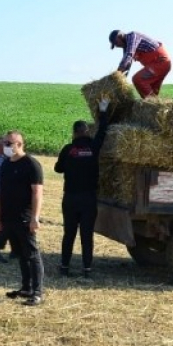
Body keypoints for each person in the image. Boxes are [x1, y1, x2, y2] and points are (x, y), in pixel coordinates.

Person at [54, 99, 111, 277]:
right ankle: (87, 269)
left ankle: (64, 267)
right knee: (86, 235)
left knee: (69, 233)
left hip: (70, 198)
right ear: (86, 131)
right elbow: (103, 131)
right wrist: (103, 111)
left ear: (74, 133)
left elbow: (58, 168)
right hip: (88, 198)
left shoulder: (68, 149)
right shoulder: (93, 147)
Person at [0, 130, 46, 306]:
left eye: (9, 144)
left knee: (32, 254)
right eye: (4, 143)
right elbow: (1, 193)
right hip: (8, 217)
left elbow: (37, 192)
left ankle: (38, 292)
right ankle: (26, 287)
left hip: (25, 217)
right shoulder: (5, 164)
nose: (5, 147)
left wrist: (35, 217)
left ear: (19, 144)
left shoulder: (31, 164)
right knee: (20, 254)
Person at [109, 29, 172, 98]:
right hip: (156, 65)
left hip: (160, 62)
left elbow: (129, 55)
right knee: (151, 91)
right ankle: (153, 106)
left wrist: (117, 74)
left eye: (116, 43)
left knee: (138, 79)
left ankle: (153, 104)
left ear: (120, 36)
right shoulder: (126, 47)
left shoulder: (132, 36)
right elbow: (127, 64)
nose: (117, 46)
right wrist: (120, 80)